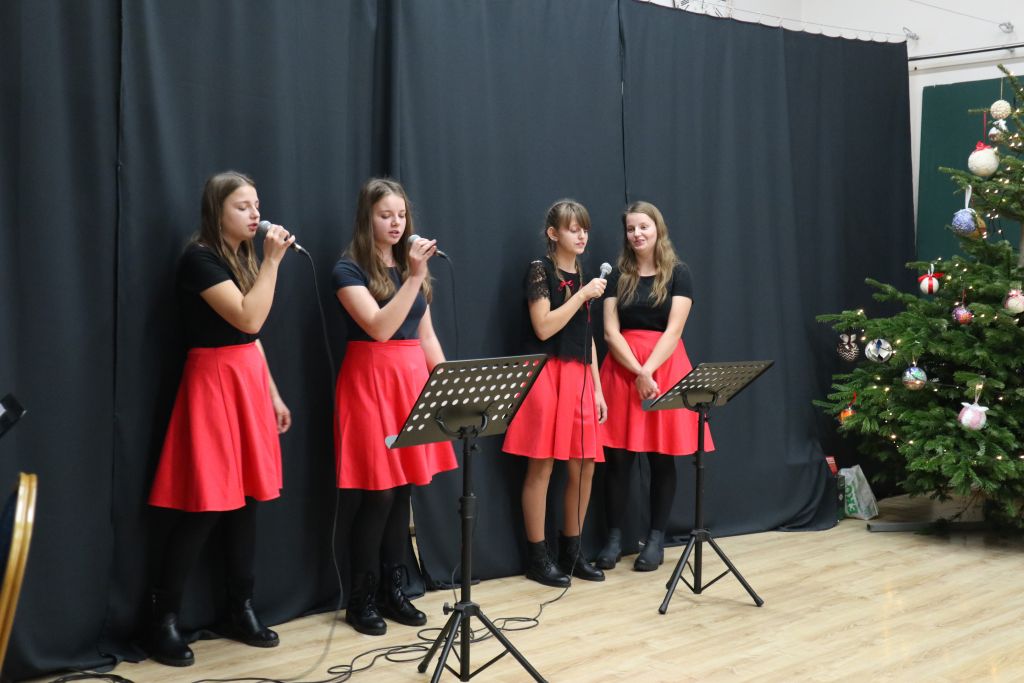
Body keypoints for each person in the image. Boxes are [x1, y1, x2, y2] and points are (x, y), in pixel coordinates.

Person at [147, 171, 294, 666]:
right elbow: (248, 317)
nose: (256, 215)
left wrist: (272, 393)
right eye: (243, 206)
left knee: (247, 501)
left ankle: (240, 608)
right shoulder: (200, 259)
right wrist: (272, 262)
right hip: (212, 383)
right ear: (217, 211)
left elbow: (252, 336)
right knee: (205, 505)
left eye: (257, 205)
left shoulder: (243, 258)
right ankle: (162, 620)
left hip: (246, 378)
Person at [333, 177, 457, 636]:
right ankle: (360, 598)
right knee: (378, 493)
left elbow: (425, 336)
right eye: (386, 215)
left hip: (410, 381)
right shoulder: (347, 269)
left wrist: (448, 387)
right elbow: (380, 327)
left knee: (403, 489)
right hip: (369, 383)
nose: (396, 223)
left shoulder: (409, 268)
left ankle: (393, 588)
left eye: (401, 215)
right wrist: (416, 277)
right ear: (367, 218)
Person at [596, 201, 712, 572]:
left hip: (666, 369)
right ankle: (614, 539)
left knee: (662, 458)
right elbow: (610, 332)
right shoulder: (618, 274)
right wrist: (637, 371)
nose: (637, 234)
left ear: (657, 229)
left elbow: (674, 330)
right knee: (618, 460)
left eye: (643, 227)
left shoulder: (679, 273)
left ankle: (656, 539)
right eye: (631, 228)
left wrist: (648, 370)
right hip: (622, 371)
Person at [503, 199, 608, 587]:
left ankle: (572, 552)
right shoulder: (540, 269)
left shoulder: (584, 276)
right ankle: (537, 557)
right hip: (546, 375)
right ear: (553, 233)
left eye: (585, 229)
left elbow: (587, 336)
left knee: (584, 464)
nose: (581, 236)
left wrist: (598, 388)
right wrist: (581, 296)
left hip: (579, 376)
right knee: (542, 464)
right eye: (572, 229)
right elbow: (544, 326)